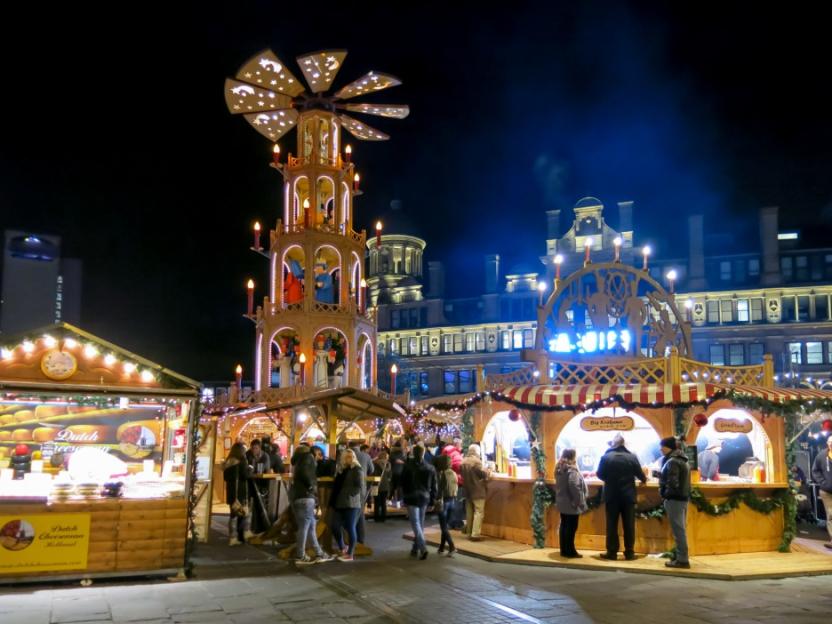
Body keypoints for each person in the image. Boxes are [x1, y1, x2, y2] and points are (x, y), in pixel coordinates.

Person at [597, 433, 647, 561]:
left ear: (613, 444)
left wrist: (609, 479)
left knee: (611, 525)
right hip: (628, 496)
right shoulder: (632, 457)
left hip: (611, 495)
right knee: (629, 525)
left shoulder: (606, 457)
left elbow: (600, 474)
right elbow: (641, 475)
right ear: (623, 444)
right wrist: (643, 480)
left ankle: (612, 552)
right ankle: (629, 552)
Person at [289, 444, 332, 565]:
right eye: (318, 454)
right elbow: (305, 474)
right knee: (304, 526)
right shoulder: (308, 457)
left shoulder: (298, 461)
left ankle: (319, 553)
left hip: (298, 497)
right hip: (306, 497)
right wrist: (312, 487)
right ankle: (300, 555)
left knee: (311, 526)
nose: (319, 456)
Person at [658, 437, 691, 568]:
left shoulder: (672, 461)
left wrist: (665, 494)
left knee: (678, 531)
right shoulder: (682, 459)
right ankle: (681, 557)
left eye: (662, 446)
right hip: (682, 498)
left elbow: (673, 482)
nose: (660, 449)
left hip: (674, 499)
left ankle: (682, 560)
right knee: (680, 529)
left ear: (668, 447)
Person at [401, 444, 437, 559]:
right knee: (420, 523)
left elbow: (403, 483)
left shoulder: (407, 466)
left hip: (411, 496)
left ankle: (422, 547)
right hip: (424, 497)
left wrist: (403, 498)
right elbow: (434, 486)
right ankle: (415, 548)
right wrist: (433, 501)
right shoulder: (430, 468)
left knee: (415, 523)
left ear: (413, 453)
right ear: (423, 453)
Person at [330, 448, 365, 562]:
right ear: (343, 458)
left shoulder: (357, 469)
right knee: (334, 525)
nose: (350, 459)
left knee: (350, 527)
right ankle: (342, 547)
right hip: (339, 502)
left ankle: (350, 553)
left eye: (352, 456)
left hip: (351, 503)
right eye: (347, 457)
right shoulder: (341, 469)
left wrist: (349, 494)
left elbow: (359, 487)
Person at [555, 448, 588, 558]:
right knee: (571, 527)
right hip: (571, 504)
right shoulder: (572, 470)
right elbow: (573, 485)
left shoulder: (559, 468)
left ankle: (564, 550)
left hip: (562, 502)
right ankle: (570, 551)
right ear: (573, 457)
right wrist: (577, 501)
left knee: (564, 525)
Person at [223, 442, 253, 546]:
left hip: (231, 492)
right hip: (240, 492)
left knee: (233, 514)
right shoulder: (242, 460)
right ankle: (243, 534)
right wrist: (250, 469)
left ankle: (233, 537)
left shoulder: (229, 461)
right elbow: (245, 475)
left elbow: (225, 477)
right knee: (243, 514)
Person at [460, 443, 490, 541]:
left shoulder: (463, 461)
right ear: (477, 452)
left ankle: (469, 532)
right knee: (479, 512)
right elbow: (483, 475)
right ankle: (475, 534)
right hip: (477, 490)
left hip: (467, 491)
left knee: (469, 512)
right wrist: (489, 471)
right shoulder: (477, 462)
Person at [348, 440, 375, 547]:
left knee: (350, 513)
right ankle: (360, 539)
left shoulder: (346, 455)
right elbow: (372, 470)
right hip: (361, 488)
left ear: (349, 446)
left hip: (348, 489)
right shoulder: (366, 456)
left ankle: (351, 539)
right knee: (359, 513)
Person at [811, 434, 832, 549]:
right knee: (831, 515)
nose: (831, 444)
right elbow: (815, 471)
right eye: (830, 442)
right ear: (827, 443)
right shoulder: (821, 455)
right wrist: (823, 482)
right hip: (827, 491)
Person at [435, 454, 458, 556]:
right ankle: (441, 547)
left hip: (444, 502)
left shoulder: (442, 474)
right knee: (445, 526)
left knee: (443, 527)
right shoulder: (453, 473)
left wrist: (436, 499)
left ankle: (452, 547)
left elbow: (440, 489)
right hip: (452, 501)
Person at [373, 451, 392, 523]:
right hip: (385, 485)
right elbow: (390, 476)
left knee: (376, 503)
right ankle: (383, 517)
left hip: (376, 485)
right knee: (383, 502)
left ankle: (376, 517)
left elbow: (373, 474)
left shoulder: (375, 463)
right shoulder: (388, 464)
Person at [389, 439, 407, 508]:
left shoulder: (392, 453)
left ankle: (389, 500)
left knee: (393, 487)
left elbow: (392, 461)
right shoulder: (402, 453)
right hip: (400, 472)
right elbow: (404, 461)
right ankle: (398, 503)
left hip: (393, 471)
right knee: (399, 487)